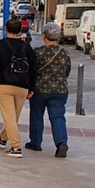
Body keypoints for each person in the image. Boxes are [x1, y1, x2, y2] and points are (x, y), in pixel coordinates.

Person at [0, 17, 37, 158]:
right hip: (22, 87)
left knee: (9, 118)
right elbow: (33, 68)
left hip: (4, 85)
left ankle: (16, 147)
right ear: (20, 31)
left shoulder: (0, 45)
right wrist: (31, 87)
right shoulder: (26, 47)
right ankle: (4, 138)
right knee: (13, 118)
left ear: (6, 29)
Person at [26, 22, 71, 158]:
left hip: (40, 89)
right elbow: (66, 71)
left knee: (37, 115)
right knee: (58, 117)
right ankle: (61, 143)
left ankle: (36, 142)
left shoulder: (38, 52)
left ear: (44, 36)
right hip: (60, 90)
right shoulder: (64, 53)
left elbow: (32, 71)